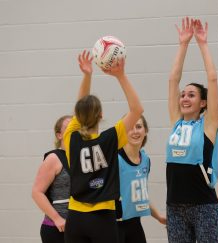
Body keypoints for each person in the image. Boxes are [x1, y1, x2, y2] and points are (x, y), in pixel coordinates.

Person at [63, 50, 143, 243]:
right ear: (101, 115)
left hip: (75, 217)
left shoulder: (70, 138)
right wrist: (120, 76)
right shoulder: (111, 138)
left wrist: (87, 75)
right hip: (103, 216)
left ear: (78, 116)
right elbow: (137, 110)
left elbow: (80, 106)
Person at [165, 17, 218, 243]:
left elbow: (212, 78)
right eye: (183, 95)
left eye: (191, 95)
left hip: (204, 208)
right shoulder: (176, 123)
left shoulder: (207, 126)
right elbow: (173, 80)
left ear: (203, 103)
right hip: (175, 208)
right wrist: (183, 45)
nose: (184, 97)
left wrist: (202, 44)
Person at [116, 115, 166, 243]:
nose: (135, 131)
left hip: (134, 223)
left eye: (138, 127)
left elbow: (141, 195)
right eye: (130, 127)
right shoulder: (115, 159)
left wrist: (159, 216)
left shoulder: (145, 160)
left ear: (145, 130)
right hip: (114, 226)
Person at [32, 115, 72, 243]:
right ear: (59, 135)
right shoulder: (54, 158)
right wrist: (57, 218)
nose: (73, 130)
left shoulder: (83, 158)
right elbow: (36, 192)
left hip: (78, 228)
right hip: (57, 229)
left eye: (76, 127)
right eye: (68, 127)